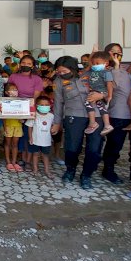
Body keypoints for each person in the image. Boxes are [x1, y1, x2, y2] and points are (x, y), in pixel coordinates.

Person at [51, 56, 105, 190]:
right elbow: (58, 103)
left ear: (72, 68)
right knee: (71, 147)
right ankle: (70, 170)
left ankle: (86, 175)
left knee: (94, 148)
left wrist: (102, 95)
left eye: (64, 71)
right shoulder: (58, 82)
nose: (62, 74)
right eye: (59, 71)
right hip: (73, 116)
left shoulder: (90, 75)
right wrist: (57, 122)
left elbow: (110, 87)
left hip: (96, 116)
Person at [100, 43, 131, 185]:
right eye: (113, 52)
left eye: (119, 52)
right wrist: (115, 68)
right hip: (118, 113)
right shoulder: (106, 71)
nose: (116, 55)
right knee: (114, 145)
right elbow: (112, 87)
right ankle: (108, 170)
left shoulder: (126, 70)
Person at [8, 55, 44, 165]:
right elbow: (9, 91)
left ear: (33, 66)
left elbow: (36, 96)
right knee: (17, 133)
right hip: (14, 107)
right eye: (23, 63)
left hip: (29, 107)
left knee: (28, 132)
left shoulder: (37, 79)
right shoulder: (13, 76)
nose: (25, 65)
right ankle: (17, 155)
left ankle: (26, 158)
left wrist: (26, 111)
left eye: (29, 64)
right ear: (20, 64)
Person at [81, 51, 115, 136]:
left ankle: (92, 123)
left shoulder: (106, 72)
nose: (95, 65)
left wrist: (109, 95)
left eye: (97, 63)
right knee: (101, 107)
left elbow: (109, 84)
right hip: (95, 91)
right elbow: (89, 62)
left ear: (106, 63)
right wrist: (93, 53)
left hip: (100, 92)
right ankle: (107, 125)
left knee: (87, 102)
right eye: (93, 63)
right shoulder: (93, 70)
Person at [26, 94, 54, 178]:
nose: (44, 107)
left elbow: (53, 127)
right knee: (35, 154)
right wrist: (30, 137)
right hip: (36, 140)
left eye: (46, 105)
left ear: (50, 106)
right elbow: (30, 127)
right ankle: (35, 170)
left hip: (46, 140)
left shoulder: (51, 116)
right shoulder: (33, 115)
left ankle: (47, 171)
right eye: (42, 105)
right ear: (37, 106)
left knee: (45, 155)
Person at [2, 82, 23, 173]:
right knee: (7, 143)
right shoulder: (4, 102)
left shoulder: (21, 102)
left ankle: (14, 161)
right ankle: (8, 161)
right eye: (12, 90)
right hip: (8, 125)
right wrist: (4, 126)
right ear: (7, 92)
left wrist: (23, 119)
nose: (15, 91)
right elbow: (2, 115)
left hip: (18, 125)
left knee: (15, 144)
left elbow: (24, 113)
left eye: (16, 89)